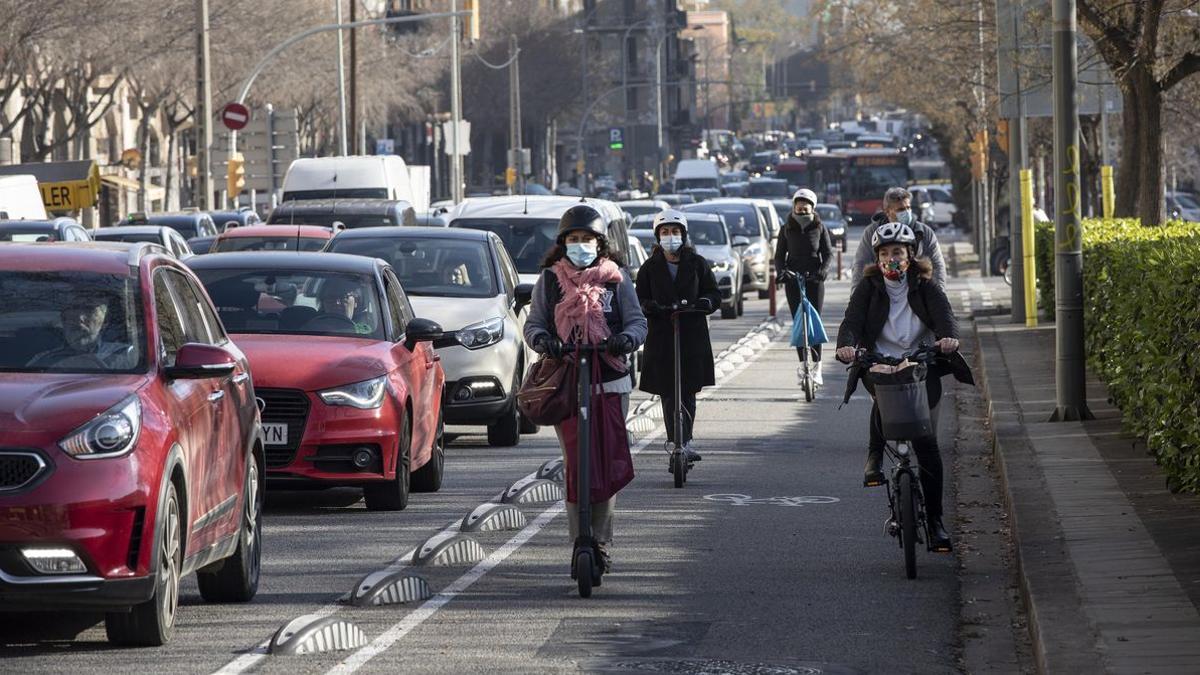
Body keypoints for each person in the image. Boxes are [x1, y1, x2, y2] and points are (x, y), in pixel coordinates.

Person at [523, 204, 647, 572]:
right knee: (577, 464)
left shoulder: (617, 279)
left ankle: (602, 541)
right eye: (573, 240)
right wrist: (546, 342)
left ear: (600, 243)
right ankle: (580, 538)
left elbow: (638, 322)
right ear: (562, 244)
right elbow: (534, 326)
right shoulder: (549, 280)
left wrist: (624, 339)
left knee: (605, 462)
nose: (580, 246)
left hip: (609, 381)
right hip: (567, 382)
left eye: (587, 240)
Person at [835, 222, 960, 550]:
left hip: (921, 362)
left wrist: (948, 339)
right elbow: (852, 321)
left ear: (910, 256)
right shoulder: (869, 287)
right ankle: (874, 456)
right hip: (880, 360)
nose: (892, 259)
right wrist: (846, 345)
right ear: (877, 258)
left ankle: (935, 522)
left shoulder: (925, 286)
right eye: (885, 253)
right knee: (885, 392)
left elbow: (945, 316)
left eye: (898, 253)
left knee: (927, 446)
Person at [634, 209, 721, 467]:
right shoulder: (649, 268)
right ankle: (674, 442)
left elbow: (713, 293)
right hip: (662, 337)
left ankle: (687, 441)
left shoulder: (697, 263)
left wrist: (705, 302)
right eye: (665, 232)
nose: (670, 237)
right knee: (668, 392)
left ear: (683, 235)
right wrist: (650, 307)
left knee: (688, 390)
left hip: (691, 335)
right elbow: (639, 299)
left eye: (674, 232)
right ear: (658, 237)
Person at [773, 188, 832, 387]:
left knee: (814, 323)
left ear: (812, 208)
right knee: (799, 323)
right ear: (794, 207)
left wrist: (823, 271)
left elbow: (828, 253)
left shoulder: (820, 227)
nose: (801, 210)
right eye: (798, 207)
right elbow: (779, 256)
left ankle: (817, 367)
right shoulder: (786, 228)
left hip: (814, 279)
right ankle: (802, 365)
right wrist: (782, 272)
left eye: (805, 207)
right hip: (793, 279)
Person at [851, 187, 946, 292]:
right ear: (887, 212)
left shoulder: (924, 232)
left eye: (908, 208)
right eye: (901, 209)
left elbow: (937, 265)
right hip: (882, 294)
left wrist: (939, 294)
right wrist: (856, 295)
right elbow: (860, 265)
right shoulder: (872, 233)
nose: (906, 212)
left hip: (916, 294)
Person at [28, 296, 137, 369]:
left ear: (105, 321)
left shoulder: (126, 356)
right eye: (72, 310)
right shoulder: (43, 362)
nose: (79, 318)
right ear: (63, 321)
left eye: (89, 310)